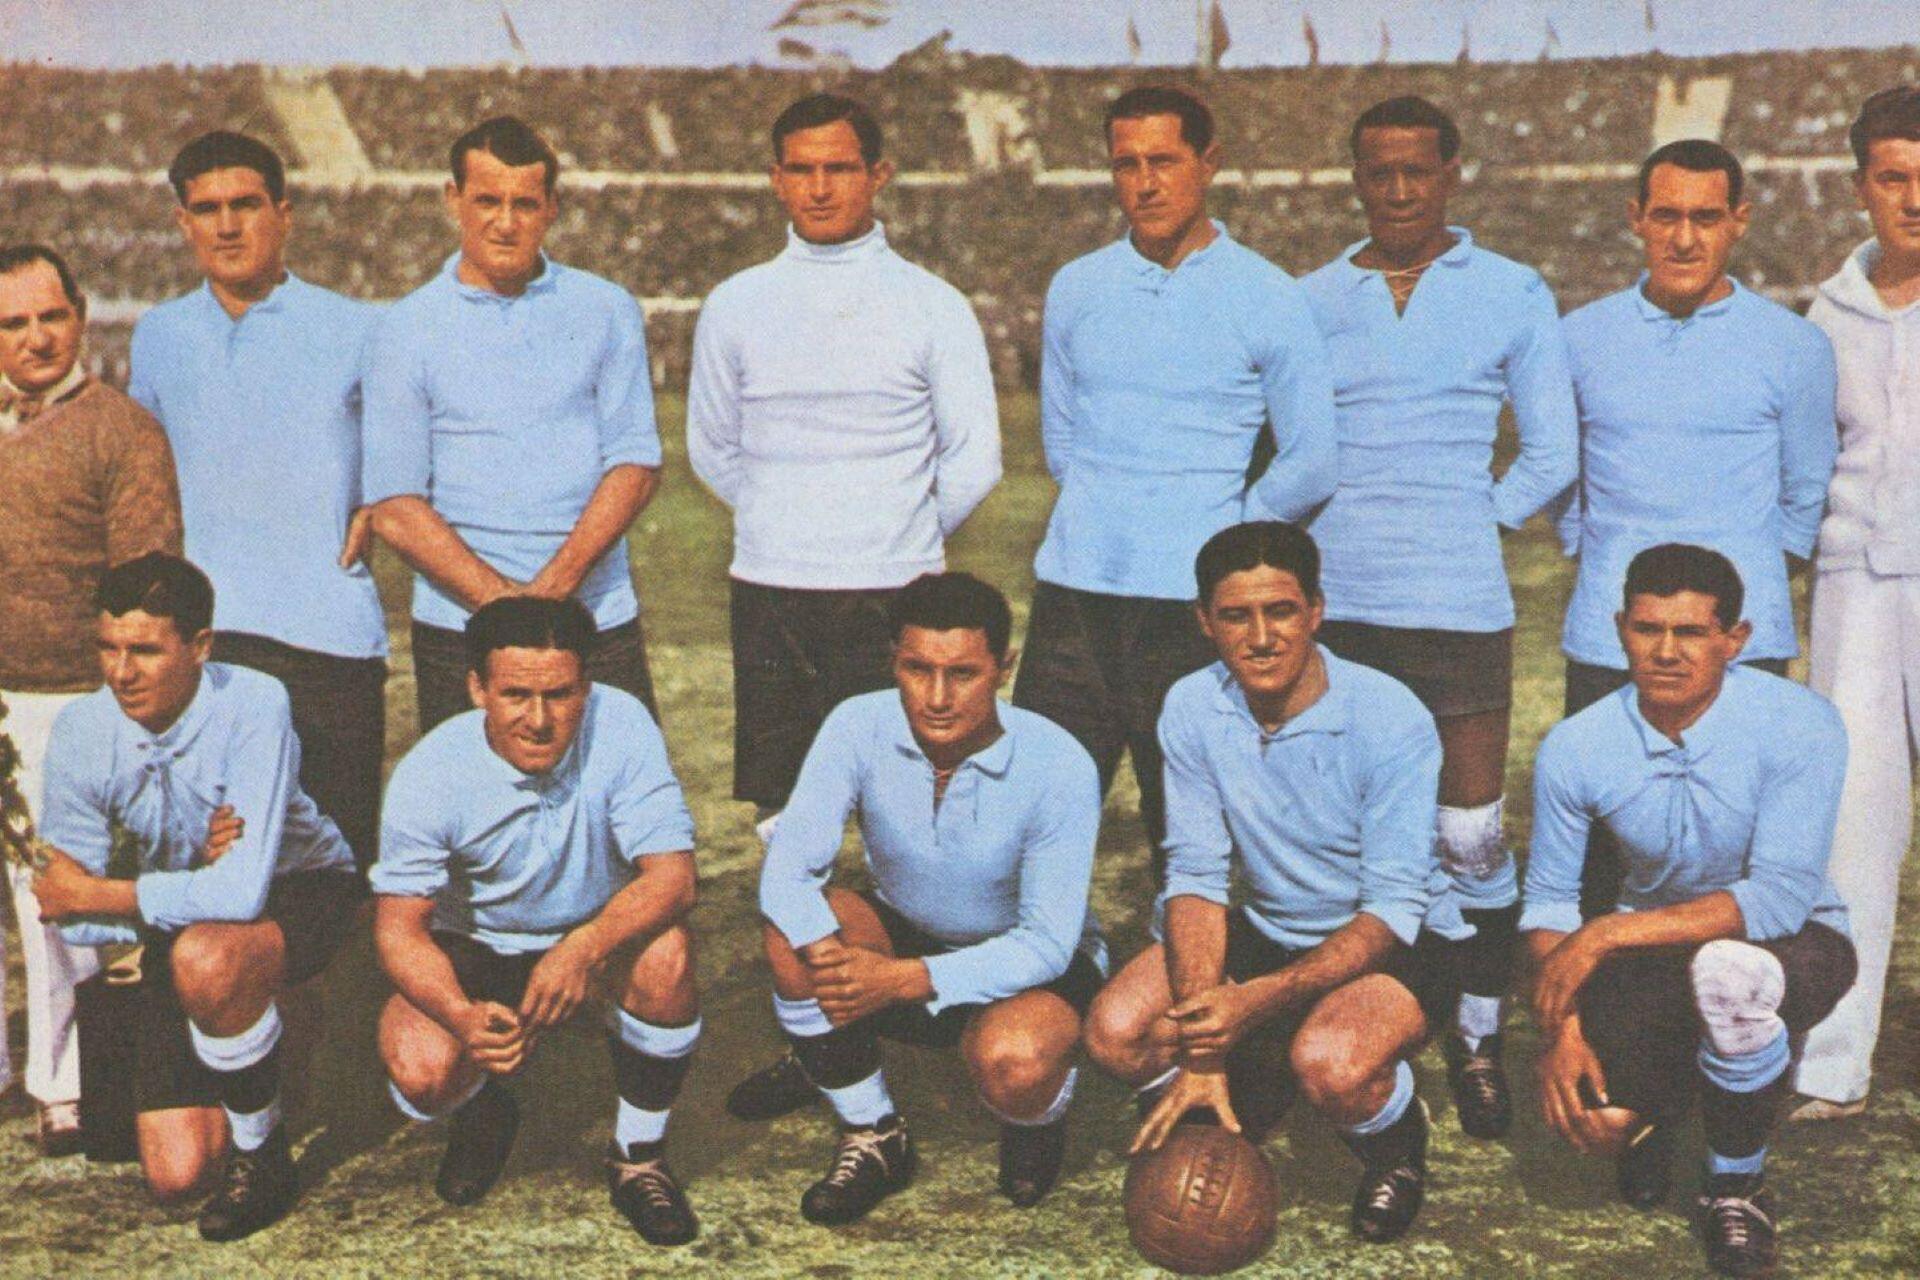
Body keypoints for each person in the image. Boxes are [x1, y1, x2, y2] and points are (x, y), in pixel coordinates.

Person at [1301, 96, 1578, 1140]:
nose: (1400, 191)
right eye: (1380, 172)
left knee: (1467, 832)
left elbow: (1551, 452)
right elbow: (1284, 443)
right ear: (1357, 177)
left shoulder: (1511, 288)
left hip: (1457, 598)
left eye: (1419, 170)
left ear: (1453, 171)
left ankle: (1474, 1026)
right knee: (1366, 838)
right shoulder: (1312, 297)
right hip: (1344, 602)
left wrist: (1474, 518)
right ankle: (1363, 1019)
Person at [1084, 521, 1443, 1245]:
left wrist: (1255, 1002)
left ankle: (1397, 1147)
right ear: (1203, 623)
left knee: (1333, 1064)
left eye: (1280, 611)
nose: (1262, 637)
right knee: (1116, 1034)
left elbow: (1394, 905)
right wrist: (1203, 1048)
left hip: (1392, 939)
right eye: (1235, 616)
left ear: (1315, 610)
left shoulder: (1390, 716)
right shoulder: (1190, 704)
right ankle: (1224, 1092)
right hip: (1271, 926)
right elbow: (1194, 873)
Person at [1014, 86, 1338, 880]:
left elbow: (1312, 459)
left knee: (1187, 831)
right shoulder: (1077, 287)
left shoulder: (1266, 293)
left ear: (1209, 163)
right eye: (1127, 164)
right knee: (1040, 814)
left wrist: (1223, 536)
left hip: (1186, 615)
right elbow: (1063, 444)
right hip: (1074, 596)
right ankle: (1041, 982)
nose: (1145, 182)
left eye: (1164, 160)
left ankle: (1192, 992)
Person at [1523, 543, 1856, 1279]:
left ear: (1734, 640)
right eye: (1648, 630)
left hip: (1794, 940)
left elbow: (1776, 896)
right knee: (1600, 1125)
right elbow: (1546, 898)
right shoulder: (1577, 744)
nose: (1667, 652)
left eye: (1692, 633)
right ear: (1620, 629)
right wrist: (1564, 1029)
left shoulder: (1801, 723)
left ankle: (1736, 1186)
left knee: (1728, 975)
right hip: (1654, 954)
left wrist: (1605, 932)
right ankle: (1665, 1111)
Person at [728, 572, 1103, 1222]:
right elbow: (788, 871)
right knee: (794, 935)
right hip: (905, 935)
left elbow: (1046, 942)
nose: (935, 696)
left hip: (1027, 967)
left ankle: (1034, 1119)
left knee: (1013, 1063)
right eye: (916, 669)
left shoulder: (1061, 763)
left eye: (962, 673)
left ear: (1003, 667)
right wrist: (834, 965)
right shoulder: (856, 723)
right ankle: (872, 1130)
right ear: (893, 661)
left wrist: (903, 980)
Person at [688, 93, 1000, 852]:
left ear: (878, 174)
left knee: (908, 796)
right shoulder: (736, 305)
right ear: (776, 179)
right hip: (772, 587)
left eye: (839, 169)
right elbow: (712, 448)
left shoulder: (932, 304)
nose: (820, 188)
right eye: (802, 170)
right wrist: (783, 518)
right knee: (784, 810)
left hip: (892, 591)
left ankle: (916, 957)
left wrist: (895, 533)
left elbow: (975, 459)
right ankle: (796, 965)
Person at [30, 553, 361, 1241]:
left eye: (145, 651)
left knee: (211, 955)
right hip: (177, 919)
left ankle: (263, 1154)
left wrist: (107, 889)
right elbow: (74, 918)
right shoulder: (81, 731)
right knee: (177, 1175)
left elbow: (240, 894)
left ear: (200, 647)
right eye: (109, 648)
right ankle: (263, 1033)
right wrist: (118, 891)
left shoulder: (254, 702)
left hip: (301, 887)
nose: (122, 672)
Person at [1557, 139, 1838, 917]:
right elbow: (1566, 485)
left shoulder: (1794, 344)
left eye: (1706, 217)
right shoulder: (1580, 337)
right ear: (1636, 219)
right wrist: (1608, 560)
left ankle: (1736, 1036)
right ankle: (1590, 1032)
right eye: (1668, 216)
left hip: (1740, 639)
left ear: (1739, 221)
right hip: (1610, 637)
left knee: (1742, 864)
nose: (1685, 238)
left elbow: (1805, 492)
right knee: (1600, 863)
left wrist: (1741, 586)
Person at [371, 596, 702, 1247]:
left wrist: (584, 948)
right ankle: (484, 1105)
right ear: (477, 689)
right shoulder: (431, 772)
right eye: (516, 694)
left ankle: (638, 1156)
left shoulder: (624, 722)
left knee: (667, 956)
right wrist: (463, 1017)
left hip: (592, 937)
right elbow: (397, 930)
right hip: (480, 948)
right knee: (422, 1070)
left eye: (561, 693)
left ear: (588, 684)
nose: (540, 720)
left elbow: (674, 877)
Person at [130, 130, 388, 872]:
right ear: (182, 222)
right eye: (206, 208)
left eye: (246, 204)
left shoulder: (355, 328)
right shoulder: (160, 336)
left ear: (285, 212)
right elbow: (143, 473)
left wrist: (379, 502)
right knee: (213, 863)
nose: (227, 224)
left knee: (335, 866)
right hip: (206, 641)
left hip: (328, 640)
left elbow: (411, 457)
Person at [362, 115, 663, 733]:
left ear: (552, 207)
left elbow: (634, 463)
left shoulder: (605, 309)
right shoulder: (404, 327)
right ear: (454, 200)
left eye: (524, 203)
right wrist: (506, 611)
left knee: (619, 814)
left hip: (596, 620)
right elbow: (395, 505)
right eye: (487, 201)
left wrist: (554, 592)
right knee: (482, 821)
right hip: (462, 631)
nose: (505, 221)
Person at [0, 243, 182, 1156]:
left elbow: (148, 580)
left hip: (63, 698)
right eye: (12, 321)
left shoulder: (122, 429)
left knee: (51, 902)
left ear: (81, 318)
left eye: (50, 316)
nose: (35, 337)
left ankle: (61, 1081)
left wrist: (120, 703)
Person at [1792, 85, 1920, 1121]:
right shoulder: (1824, 311)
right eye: (1895, 178)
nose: (1915, 199)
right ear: (1862, 184)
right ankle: (1833, 1061)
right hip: (1855, 590)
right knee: (1850, 824)